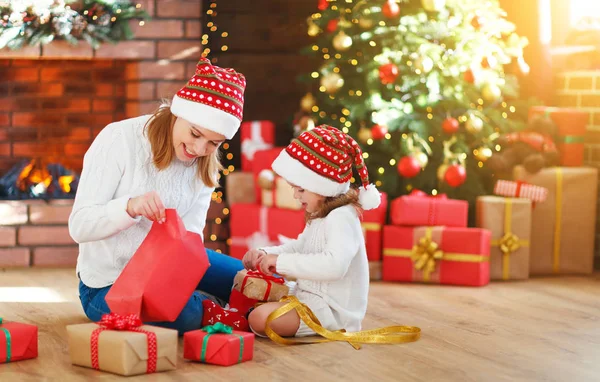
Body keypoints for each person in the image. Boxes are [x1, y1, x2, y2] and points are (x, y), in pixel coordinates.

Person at [68, 58, 247, 334]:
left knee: (246, 280)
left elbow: (191, 238)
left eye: (214, 143)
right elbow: (79, 226)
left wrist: (177, 280)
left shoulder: (204, 164)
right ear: (178, 113)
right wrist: (129, 207)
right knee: (185, 313)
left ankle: (234, 307)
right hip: (108, 284)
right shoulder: (119, 139)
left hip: (167, 271)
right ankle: (221, 310)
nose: (200, 148)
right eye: (195, 133)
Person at [243, 125, 382, 337]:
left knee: (258, 318)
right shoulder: (321, 214)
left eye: (301, 189)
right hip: (308, 295)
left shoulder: (342, 217)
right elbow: (300, 246)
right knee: (246, 292)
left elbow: (334, 266)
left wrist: (279, 263)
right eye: (293, 188)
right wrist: (266, 252)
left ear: (324, 187)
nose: (296, 196)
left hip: (330, 311)